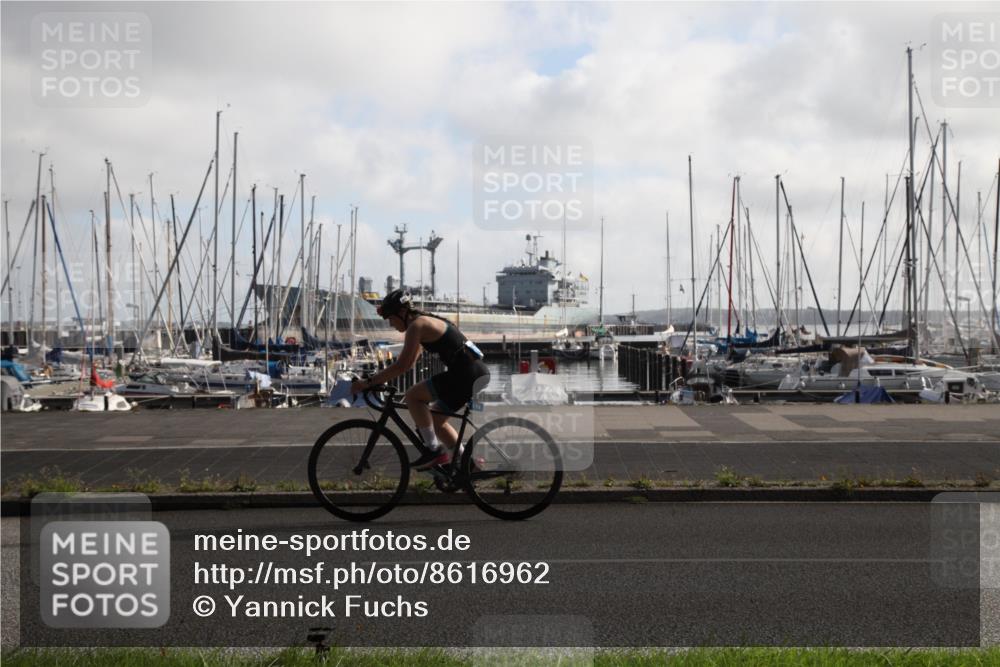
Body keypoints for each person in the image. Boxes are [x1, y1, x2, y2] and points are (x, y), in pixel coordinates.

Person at [351, 290, 490, 469]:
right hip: (471, 373)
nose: (391, 324)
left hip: (466, 375)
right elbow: (408, 364)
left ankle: (434, 451)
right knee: (435, 422)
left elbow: (402, 365)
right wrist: (377, 379)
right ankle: (466, 465)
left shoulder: (417, 326)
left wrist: (368, 382)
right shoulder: (424, 322)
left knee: (413, 396)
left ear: (402, 313)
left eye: (391, 318)